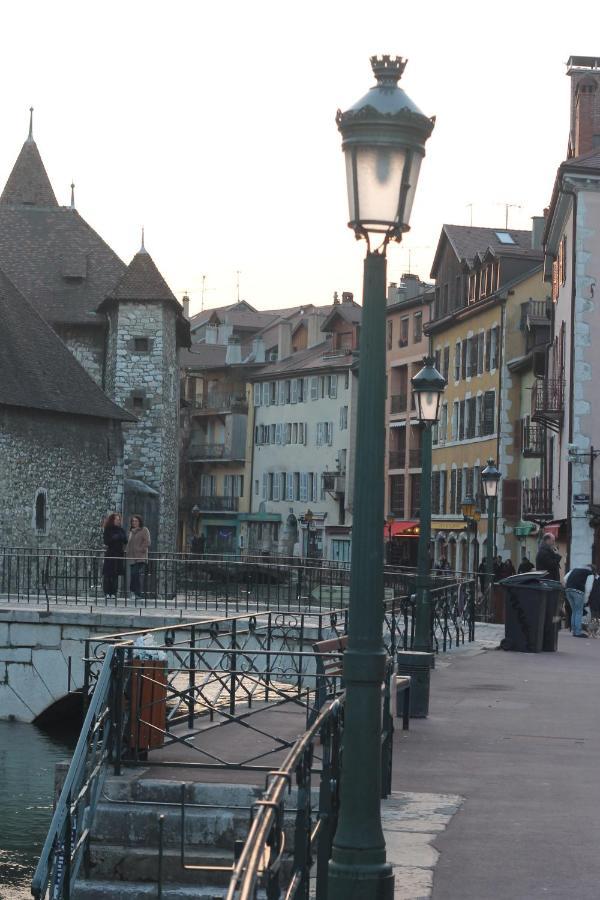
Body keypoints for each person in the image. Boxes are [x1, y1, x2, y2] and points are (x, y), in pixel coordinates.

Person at [564, 564, 596, 638]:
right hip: (578, 592)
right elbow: (588, 588)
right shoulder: (590, 574)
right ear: (593, 570)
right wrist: (585, 601)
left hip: (568, 590)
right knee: (579, 611)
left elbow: (565, 579)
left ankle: (574, 630)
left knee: (574, 611)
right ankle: (578, 632)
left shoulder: (574, 569)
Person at [102, 513, 127, 598]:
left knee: (115, 574)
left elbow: (125, 540)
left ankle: (113, 592)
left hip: (118, 554)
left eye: (119, 519)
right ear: (112, 520)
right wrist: (114, 537)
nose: (118, 521)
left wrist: (120, 536)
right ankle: (107, 592)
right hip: (110, 554)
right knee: (108, 574)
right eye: (117, 519)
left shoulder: (121, 530)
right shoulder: (108, 529)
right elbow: (106, 541)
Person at [126, 514, 151, 600]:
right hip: (132, 557)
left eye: (136, 521)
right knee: (133, 575)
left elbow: (147, 542)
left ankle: (136, 592)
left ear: (139, 521)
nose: (134, 522)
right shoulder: (131, 531)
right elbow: (129, 543)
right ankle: (135, 593)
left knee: (135, 574)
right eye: (133, 521)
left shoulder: (144, 530)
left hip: (140, 556)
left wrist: (140, 549)